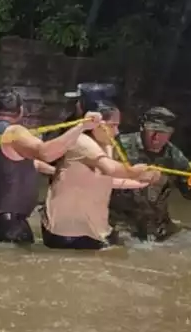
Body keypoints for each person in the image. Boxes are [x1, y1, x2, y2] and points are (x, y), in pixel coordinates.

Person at [0, 89, 102, 243]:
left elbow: (23, 162)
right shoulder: (15, 132)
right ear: (20, 110)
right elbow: (46, 153)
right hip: (8, 225)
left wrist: (58, 173)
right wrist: (81, 127)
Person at [108, 106, 191, 241]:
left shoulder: (175, 157)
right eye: (152, 131)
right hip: (120, 223)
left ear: (171, 133)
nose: (156, 138)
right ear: (142, 128)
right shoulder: (118, 146)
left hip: (155, 227)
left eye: (163, 132)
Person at [41, 102, 159, 249]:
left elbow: (104, 179)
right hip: (67, 234)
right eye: (112, 125)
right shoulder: (81, 142)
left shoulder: (107, 145)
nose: (116, 132)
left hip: (93, 232)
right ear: (96, 125)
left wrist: (140, 182)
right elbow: (110, 169)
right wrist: (136, 172)